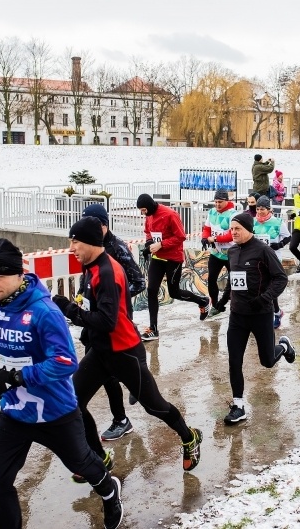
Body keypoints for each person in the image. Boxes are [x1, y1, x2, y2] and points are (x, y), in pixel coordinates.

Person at [0, 238, 124, 529]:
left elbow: (66, 361)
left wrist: (19, 376)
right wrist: (0, 374)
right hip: (14, 410)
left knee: (82, 464)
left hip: (55, 411)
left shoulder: (45, 311)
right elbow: (5, 349)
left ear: (19, 274)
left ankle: (110, 491)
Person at [52, 218, 203, 477]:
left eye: (75, 242)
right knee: (72, 403)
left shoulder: (107, 273)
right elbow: (94, 308)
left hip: (124, 352)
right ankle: (98, 457)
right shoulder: (90, 266)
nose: (71, 248)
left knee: (155, 406)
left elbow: (106, 321)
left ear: (90, 242)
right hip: (100, 351)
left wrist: (68, 309)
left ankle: (189, 437)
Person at [81, 203, 146, 441]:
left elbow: (139, 281)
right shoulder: (88, 246)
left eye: (90, 224)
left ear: (103, 225)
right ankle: (122, 416)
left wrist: (112, 299)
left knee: (111, 371)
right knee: (105, 373)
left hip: (115, 323)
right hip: (94, 322)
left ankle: (122, 417)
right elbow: (87, 280)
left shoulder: (117, 248)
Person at [223, 213, 295, 425]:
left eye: (237, 229)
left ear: (248, 229)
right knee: (234, 360)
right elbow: (232, 279)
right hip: (237, 315)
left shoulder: (263, 250)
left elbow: (281, 278)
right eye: (232, 229)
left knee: (267, 361)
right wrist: (222, 301)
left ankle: (283, 346)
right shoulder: (232, 251)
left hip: (260, 313)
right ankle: (238, 406)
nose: (233, 232)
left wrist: (264, 298)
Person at [136, 193, 211, 341]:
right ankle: (153, 329)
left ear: (149, 206)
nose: (142, 213)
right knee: (151, 290)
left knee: (174, 292)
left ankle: (202, 301)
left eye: (144, 210)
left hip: (173, 258)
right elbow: (148, 233)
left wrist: (161, 244)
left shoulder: (170, 214)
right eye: (141, 211)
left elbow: (181, 236)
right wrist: (149, 244)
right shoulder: (149, 217)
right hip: (157, 258)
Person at [252, 196, 291, 329]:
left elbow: (288, 237)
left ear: (269, 209)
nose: (259, 212)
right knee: (259, 285)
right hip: (257, 259)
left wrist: (279, 245)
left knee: (270, 287)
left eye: (262, 209)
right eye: (257, 209)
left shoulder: (277, 222)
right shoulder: (253, 222)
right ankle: (263, 312)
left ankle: (276, 313)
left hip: (273, 259)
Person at [202, 189, 236, 318]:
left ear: (227, 201)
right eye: (215, 202)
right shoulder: (212, 212)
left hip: (231, 254)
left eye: (220, 202)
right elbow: (207, 229)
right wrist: (204, 238)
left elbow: (231, 235)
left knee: (232, 280)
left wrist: (215, 239)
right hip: (216, 253)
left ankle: (225, 302)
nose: (217, 204)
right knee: (211, 279)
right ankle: (215, 305)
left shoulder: (232, 214)